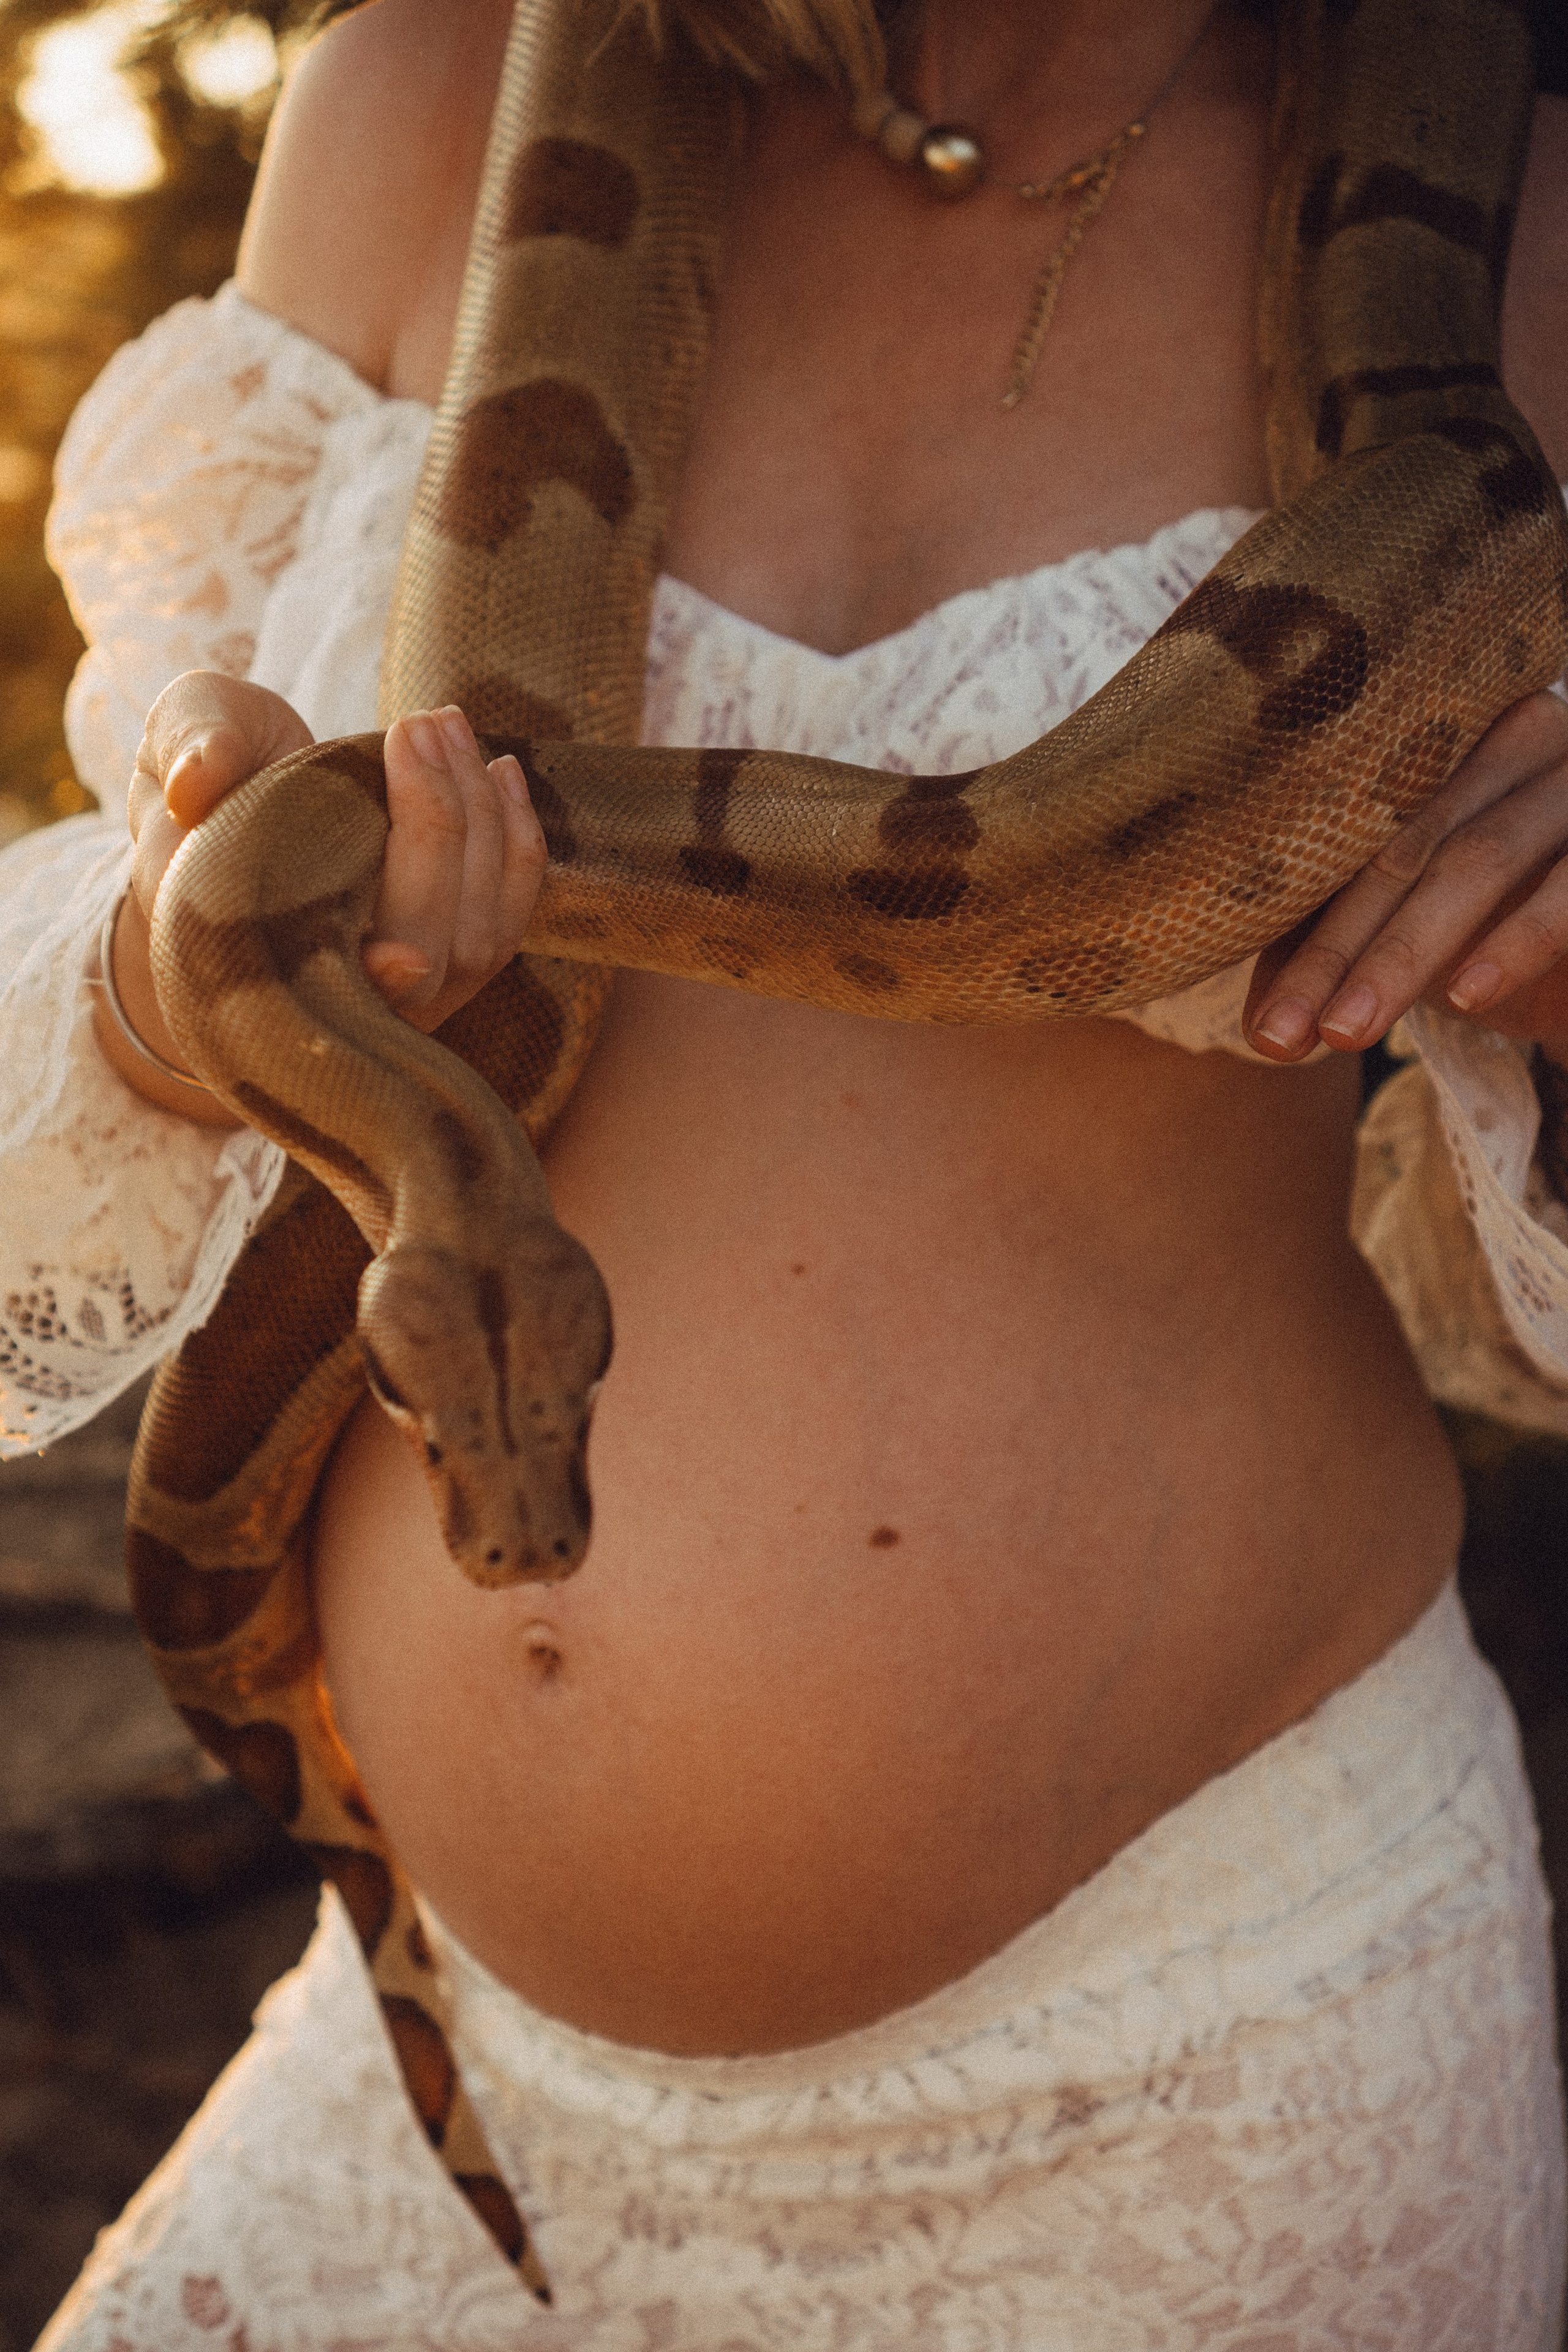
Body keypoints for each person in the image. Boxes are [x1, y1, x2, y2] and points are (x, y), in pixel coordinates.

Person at [17, 0, 1568, 2339]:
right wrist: (183, 968)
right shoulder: (425, 93)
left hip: (1200, 2070)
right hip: (453, 2081)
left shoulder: (1517, 233)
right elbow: (137, 913)